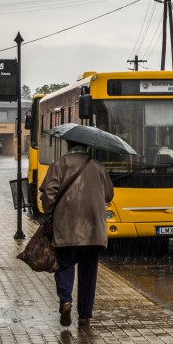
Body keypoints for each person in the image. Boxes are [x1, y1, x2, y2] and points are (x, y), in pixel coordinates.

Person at [39, 140, 114, 327]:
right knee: (89, 272)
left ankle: (65, 301)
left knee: (64, 265)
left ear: (68, 144)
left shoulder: (60, 164)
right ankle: (85, 315)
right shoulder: (98, 166)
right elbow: (109, 195)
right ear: (87, 146)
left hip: (66, 227)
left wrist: (49, 215)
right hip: (93, 230)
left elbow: (48, 192)